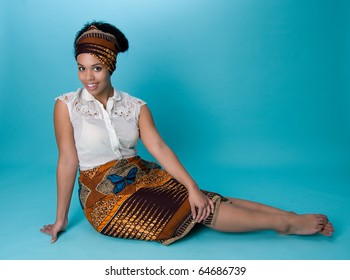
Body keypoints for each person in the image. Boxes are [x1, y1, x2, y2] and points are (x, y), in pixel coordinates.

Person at [40, 21, 334, 245]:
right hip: (104, 197)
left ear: (111, 66)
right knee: (194, 211)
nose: (88, 77)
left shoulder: (135, 106)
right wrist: (60, 219)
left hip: (141, 174)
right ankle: (284, 226)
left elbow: (160, 149)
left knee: (203, 199)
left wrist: (192, 186)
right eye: (81, 68)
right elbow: (67, 162)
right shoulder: (66, 105)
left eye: (97, 68)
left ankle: (290, 217)